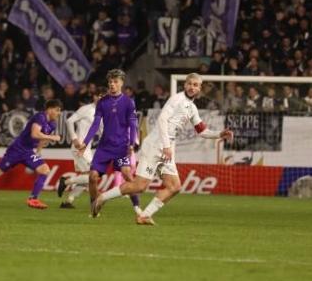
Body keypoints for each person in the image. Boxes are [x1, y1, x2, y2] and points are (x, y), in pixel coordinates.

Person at [93, 73, 234, 225]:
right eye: (190, 84)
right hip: (156, 145)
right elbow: (162, 119)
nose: (192, 87)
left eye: (195, 85)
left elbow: (202, 131)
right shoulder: (177, 99)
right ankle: (101, 198)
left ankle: (144, 216)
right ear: (185, 85)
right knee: (139, 186)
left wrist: (220, 134)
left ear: (199, 88)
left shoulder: (192, 108)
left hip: (167, 149)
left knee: (174, 187)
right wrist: (166, 146)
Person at [0, 99, 63, 209]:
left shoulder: (52, 124)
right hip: (17, 149)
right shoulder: (40, 117)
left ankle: (33, 199)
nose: (59, 113)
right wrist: (52, 137)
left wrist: (38, 152)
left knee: (45, 170)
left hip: (28, 152)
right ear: (50, 109)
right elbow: (35, 134)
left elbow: (42, 139)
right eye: (57, 110)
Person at [77, 69, 141, 216]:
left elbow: (133, 125)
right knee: (92, 177)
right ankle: (94, 208)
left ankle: (138, 209)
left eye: (115, 81)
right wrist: (85, 143)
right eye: (110, 82)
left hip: (121, 147)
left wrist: (131, 144)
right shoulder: (102, 102)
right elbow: (95, 124)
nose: (112, 84)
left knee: (127, 175)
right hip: (104, 147)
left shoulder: (128, 102)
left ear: (122, 83)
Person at [57, 87, 106, 208]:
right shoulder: (86, 109)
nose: (100, 98)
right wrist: (74, 138)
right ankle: (66, 181)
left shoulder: (103, 113)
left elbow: (101, 132)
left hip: (87, 149)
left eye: (102, 96)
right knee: (93, 175)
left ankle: (68, 201)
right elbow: (69, 121)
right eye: (97, 95)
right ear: (93, 96)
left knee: (89, 179)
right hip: (78, 146)